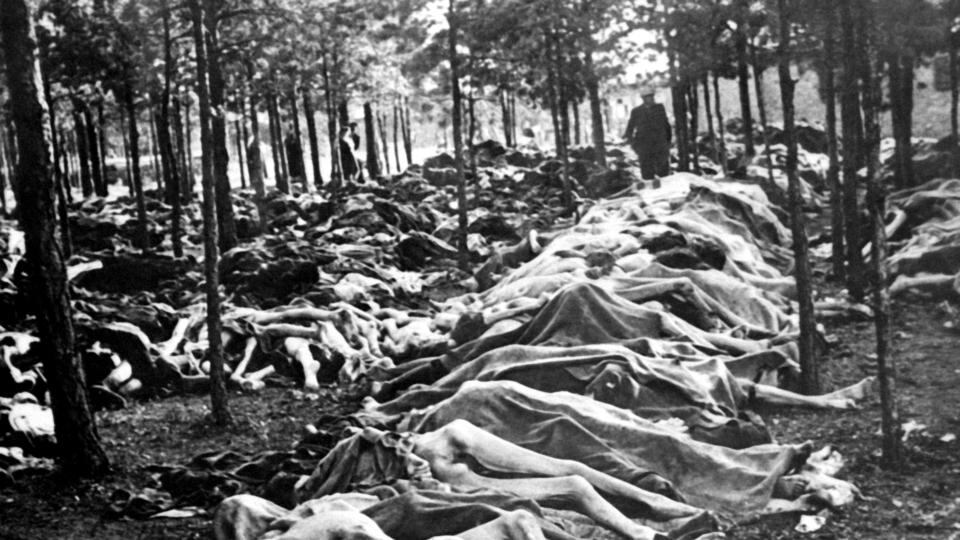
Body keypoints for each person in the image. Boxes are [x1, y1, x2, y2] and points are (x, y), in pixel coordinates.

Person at [623, 86, 672, 180]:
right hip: (644, 147)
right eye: (648, 97)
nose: (651, 98)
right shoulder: (636, 111)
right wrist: (634, 145)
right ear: (643, 98)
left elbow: (666, 125)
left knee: (664, 173)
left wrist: (668, 141)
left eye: (652, 96)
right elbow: (629, 130)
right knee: (647, 174)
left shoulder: (659, 108)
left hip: (660, 145)